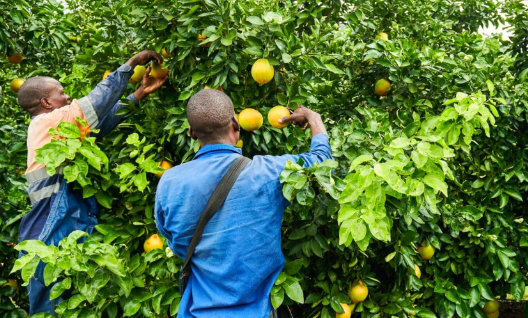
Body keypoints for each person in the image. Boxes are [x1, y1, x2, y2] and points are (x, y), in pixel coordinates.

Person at [154, 89, 333, 318]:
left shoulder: (170, 182)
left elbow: (177, 243)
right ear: (236, 125)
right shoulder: (268, 172)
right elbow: (322, 163)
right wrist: (314, 119)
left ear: (191, 132)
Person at [17, 50, 168, 315]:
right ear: (46, 102)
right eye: (61, 93)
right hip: (46, 235)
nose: (68, 98)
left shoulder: (62, 132)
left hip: (63, 228)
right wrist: (130, 64)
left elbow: (100, 124)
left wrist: (140, 93)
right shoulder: (46, 121)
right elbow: (94, 104)